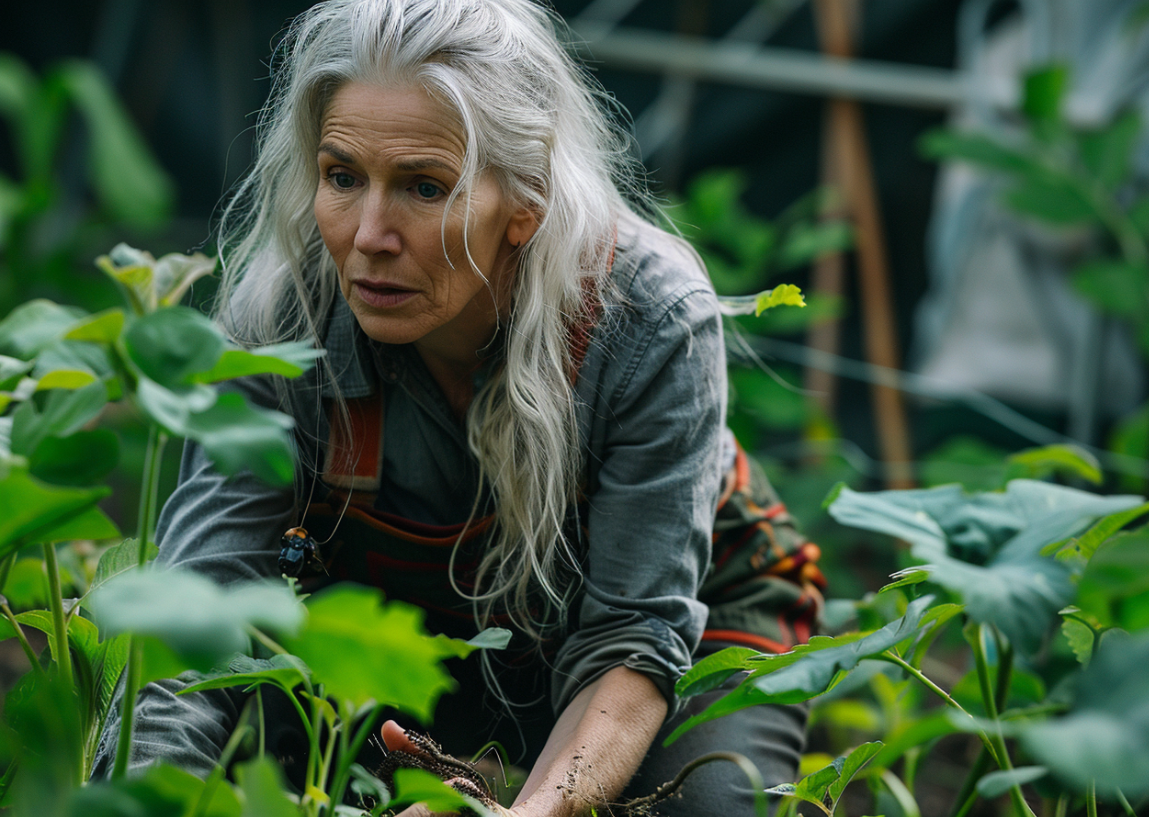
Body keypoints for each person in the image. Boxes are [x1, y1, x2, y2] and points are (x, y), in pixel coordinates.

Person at [93, 1, 826, 814]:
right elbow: (199, 611)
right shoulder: (283, 316)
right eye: (342, 176)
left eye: (423, 186)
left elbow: (633, 637)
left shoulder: (648, 318)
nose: (369, 233)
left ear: (526, 200)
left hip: (680, 627)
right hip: (432, 628)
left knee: (707, 806)